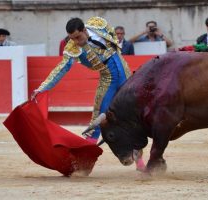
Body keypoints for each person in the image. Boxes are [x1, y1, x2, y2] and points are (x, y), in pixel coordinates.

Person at [31, 16, 145, 171]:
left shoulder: (99, 23)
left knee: (133, 117)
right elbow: (60, 70)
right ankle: (86, 163)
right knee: (98, 120)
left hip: (125, 75)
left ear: (84, 30)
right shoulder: (72, 48)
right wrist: (42, 88)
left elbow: (113, 38)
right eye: (72, 39)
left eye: (78, 37)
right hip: (108, 80)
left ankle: (140, 162)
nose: (76, 41)